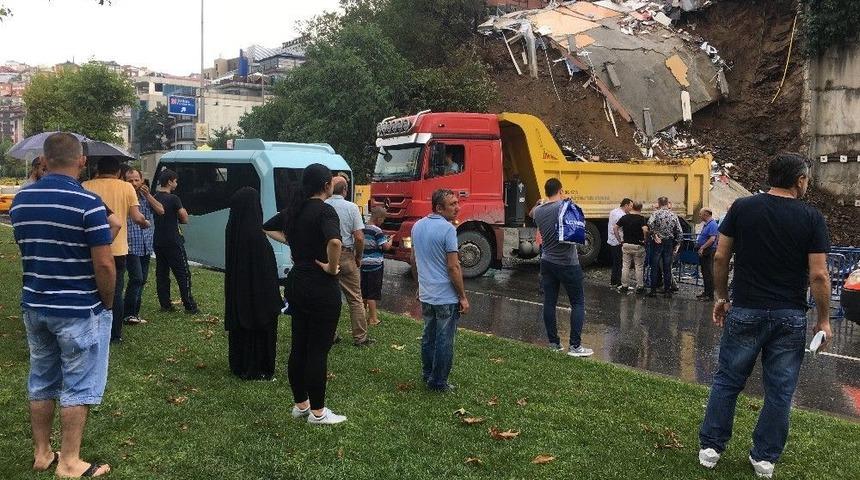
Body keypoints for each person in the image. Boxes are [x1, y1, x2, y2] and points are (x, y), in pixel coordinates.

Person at [698, 153, 832, 479]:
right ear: (799, 180)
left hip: (746, 308)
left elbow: (720, 257)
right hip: (789, 314)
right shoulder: (811, 218)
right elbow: (819, 275)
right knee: (780, 390)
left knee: (728, 380)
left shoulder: (742, 208)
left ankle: (711, 448)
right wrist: (824, 320)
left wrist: (721, 297)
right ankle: (764, 457)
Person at [10, 132, 114, 477]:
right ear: (82, 160)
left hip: (35, 303)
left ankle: (42, 453)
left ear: (44, 160)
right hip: (77, 308)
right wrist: (107, 302)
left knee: (41, 378)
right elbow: (104, 264)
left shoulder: (21, 201)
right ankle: (70, 461)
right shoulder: (88, 203)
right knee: (78, 383)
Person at [263, 163, 347, 424]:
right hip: (320, 284)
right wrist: (332, 267)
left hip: (297, 282)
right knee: (318, 349)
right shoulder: (325, 210)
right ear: (326, 185)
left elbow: (267, 227)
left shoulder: (294, 210)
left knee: (299, 345)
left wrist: (293, 241)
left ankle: (301, 405)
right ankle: (318, 413)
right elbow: (335, 242)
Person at [83, 157, 150, 343]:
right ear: (119, 172)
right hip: (118, 249)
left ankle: (91, 329)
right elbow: (136, 217)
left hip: (92, 247)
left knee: (91, 288)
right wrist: (145, 223)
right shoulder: (126, 187)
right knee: (115, 291)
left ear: (98, 170)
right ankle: (115, 334)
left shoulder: (85, 185)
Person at [412, 189, 470, 391]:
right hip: (445, 296)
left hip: (427, 294)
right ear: (438, 208)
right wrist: (462, 296)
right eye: (452, 204)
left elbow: (414, 260)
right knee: (444, 340)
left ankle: (428, 373)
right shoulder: (448, 230)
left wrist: (419, 285)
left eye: (457, 203)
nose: (457, 207)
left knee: (429, 337)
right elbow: (453, 267)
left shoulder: (417, 226)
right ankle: (438, 382)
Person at [529, 179, 593, 357]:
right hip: (568, 262)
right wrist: (566, 200)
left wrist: (541, 202)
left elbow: (532, 212)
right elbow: (579, 219)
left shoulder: (539, 211)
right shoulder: (565, 206)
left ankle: (554, 343)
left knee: (549, 302)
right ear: (561, 190)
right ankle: (575, 346)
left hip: (547, 261)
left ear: (546, 191)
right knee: (577, 302)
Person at [224, 187, 282, 380]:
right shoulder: (257, 238)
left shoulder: (234, 230)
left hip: (239, 293)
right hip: (258, 300)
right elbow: (266, 274)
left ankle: (239, 363)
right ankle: (259, 367)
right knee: (259, 328)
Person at [325, 175, 372, 346]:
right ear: (345, 190)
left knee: (328, 297)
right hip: (346, 254)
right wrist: (358, 257)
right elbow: (359, 237)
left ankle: (330, 335)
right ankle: (360, 338)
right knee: (355, 298)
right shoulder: (351, 207)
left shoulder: (323, 205)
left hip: (326, 254)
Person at [152, 169, 199, 314]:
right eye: (175, 181)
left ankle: (165, 304)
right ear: (170, 181)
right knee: (183, 273)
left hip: (158, 240)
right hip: (173, 240)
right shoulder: (174, 198)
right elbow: (184, 218)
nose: (176, 184)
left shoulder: (154, 198)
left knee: (162, 273)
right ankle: (189, 305)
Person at [122, 167, 164, 325]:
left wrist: (148, 195)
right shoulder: (123, 196)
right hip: (130, 245)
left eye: (136, 180)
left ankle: (134, 313)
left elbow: (161, 210)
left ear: (142, 180)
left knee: (142, 280)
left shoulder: (146, 197)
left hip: (146, 244)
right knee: (137, 278)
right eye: (130, 180)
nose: (134, 183)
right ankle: (128, 313)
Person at [361, 206, 392, 326]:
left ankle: (361, 315)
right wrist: (390, 241)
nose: (383, 222)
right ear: (379, 219)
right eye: (383, 220)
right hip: (375, 266)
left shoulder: (363, 227)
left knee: (364, 291)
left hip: (364, 264)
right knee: (372, 293)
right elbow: (385, 247)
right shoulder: (377, 231)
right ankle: (373, 319)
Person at [647, 196, 682, 298]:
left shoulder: (655, 214)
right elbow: (679, 231)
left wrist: (655, 235)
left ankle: (653, 291)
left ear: (659, 203)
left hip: (657, 242)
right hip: (668, 243)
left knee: (654, 267)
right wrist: (678, 244)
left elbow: (649, 224)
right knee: (667, 268)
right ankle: (667, 291)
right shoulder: (673, 215)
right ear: (667, 203)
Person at [614, 201, 648, 294]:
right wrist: (645, 239)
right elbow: (645, 230)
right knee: (639, 267)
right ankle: (640, 287)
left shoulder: (625, 217)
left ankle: (624, 286)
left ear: (632, 207)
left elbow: (615, 227)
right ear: (640, 208)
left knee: (625, 266)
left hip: (626, 245)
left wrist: (619, 239)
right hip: (638, 246)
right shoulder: (641, 218)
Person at [608, 198, 633, 287]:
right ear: (626, 205)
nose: (631, 208)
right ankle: (619, 282)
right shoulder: (622, 216)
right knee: (620, 263)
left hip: (612, 240)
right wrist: (621, 241)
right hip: (618, 241)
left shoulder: (613, 211)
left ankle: (613, 281)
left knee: (616, 262)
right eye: (630, 206)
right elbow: (621, 229)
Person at [695, 208, 719, 301]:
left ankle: (709, 295)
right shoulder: (707, 224)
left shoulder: (712, 224)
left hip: (709, 251)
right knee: (705, 273)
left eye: (700, 214)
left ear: (706, 214)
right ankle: (706, 292)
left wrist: (702, 247)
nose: (699, 216)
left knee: (708, 273)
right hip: (705, 251)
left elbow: (712, 239)